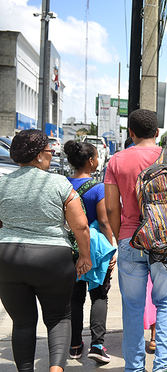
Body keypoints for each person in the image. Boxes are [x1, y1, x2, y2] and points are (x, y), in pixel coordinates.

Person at [105, 109, 167, 372]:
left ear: (130, 133)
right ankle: (163, 366)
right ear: (157, 133)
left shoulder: (116, 161)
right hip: (166, 242)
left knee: (132, 307)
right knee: (165, 304)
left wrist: (123, 237)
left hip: (131, 239)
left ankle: (134, 368)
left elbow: (110, 210)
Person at [0, 129, 92, 372]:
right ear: (39, 156)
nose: (52, 154)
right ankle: (56, 369)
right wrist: (84, 255)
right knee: (59, 318)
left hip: (8, 257)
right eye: (49, 151)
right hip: (52, 258)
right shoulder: (59, 183)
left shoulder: (1, 183)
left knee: (21, 322)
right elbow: (80, 225)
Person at [64, 140, 116, 363]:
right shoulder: (98, 188)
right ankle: (97, 345)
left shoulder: (62, 184)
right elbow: (104, 222)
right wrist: (111, 250)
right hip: (94, 249)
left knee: (75, 299)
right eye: (96, 157)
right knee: (99, 295)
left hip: (69, 247)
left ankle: (75, 345)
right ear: (91, 161)